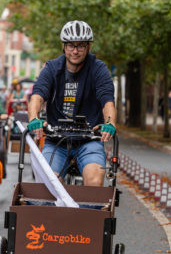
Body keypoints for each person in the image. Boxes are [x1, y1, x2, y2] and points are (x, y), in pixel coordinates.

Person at [27, 20, 116, 187]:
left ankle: (87, 213)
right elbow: (37, 96)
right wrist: (34, 119)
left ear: (88, 47)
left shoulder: (98, 68)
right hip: (56, 140)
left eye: (81, 46)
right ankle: (62, 212)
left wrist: (110, 122)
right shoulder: (52, 68)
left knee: (95, 182)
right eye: (71, 46)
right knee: (49, 183)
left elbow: (107, 100)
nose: (75, 51)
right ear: (63, 46)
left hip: (89, 140)